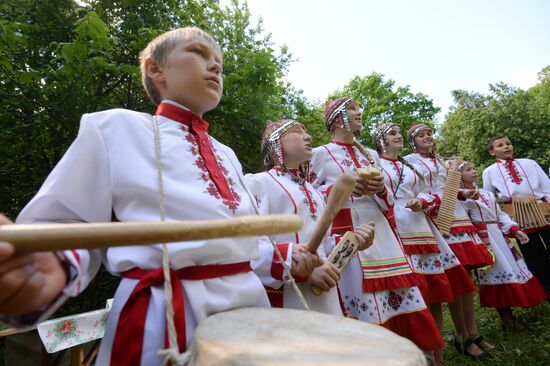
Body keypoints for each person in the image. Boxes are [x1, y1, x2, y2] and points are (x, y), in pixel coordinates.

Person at [0, 27, 321, 366]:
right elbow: (66, 224)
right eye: (199, 53)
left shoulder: (226, 153)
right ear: (156, 69)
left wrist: (281, 256)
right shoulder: (115, 127)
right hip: (162, 316)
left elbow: (238, 240)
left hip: (249, 311)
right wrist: (44, 265)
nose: (214, 66)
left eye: (219, 63)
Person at [309, 98, 443, 353]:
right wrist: (342, 189)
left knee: (401, 292)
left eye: (359, 109)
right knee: (363, 297)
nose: (359, 113)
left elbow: (389, 201)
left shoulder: (369, 154)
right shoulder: (320, 153)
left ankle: (412, 352)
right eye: (352, 109)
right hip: (347, 231)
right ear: (337, 118)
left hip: (381, 230)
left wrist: (380, 189)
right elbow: (311, 196)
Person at [245, 119, 375, 314]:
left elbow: (323, 245)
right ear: (275, 143)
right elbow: (248, 245)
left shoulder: (312, 191)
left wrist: (352, 240)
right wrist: (303, 270)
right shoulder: (258, 183)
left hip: (324, 298)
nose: (308, 137)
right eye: (297, 132)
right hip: (285, 298)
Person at [373, 123, 463, 365]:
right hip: (394, 230)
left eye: (399, 134)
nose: (398, 137)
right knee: (412, 297)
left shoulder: (409, 165)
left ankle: (438, 356)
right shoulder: (375, 165)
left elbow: (429, 192)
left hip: (420, 227)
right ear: (381, 140)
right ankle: (416, 356)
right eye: (392, 134)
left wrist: (422, 201)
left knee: (433, 296)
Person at [405, 124, 494, 360]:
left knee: (466, 283)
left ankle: (473, 333)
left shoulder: (442, 161)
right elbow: (418, 190)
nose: (427, 137)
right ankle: (461, 335)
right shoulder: (409, 162)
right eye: (421, 135)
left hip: (458, 217)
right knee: (455, 282)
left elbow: (448, 189)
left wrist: (464, 193)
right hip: (439, 220)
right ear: (412, 141)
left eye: (429, 134)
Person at [460, 161, 547, 330]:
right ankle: (506, 318)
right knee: (496, 272)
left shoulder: (487, 194)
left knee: (511, 269)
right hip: (484, 239)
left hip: (499, 236)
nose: (474, 171)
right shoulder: (462, 199)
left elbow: (499, 215)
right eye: (468, 170)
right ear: (460, 176)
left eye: (473, 168)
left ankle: (511, 316)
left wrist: (515, 230)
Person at [483, 135, 550, 297]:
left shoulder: (530, 163)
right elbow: (489, 197)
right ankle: (546, 289)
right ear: (492, 152)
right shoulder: (489, 172)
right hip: (516, 213)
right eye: (500, 145)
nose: (506, 147)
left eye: (508, 144)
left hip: (542, 208)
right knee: (533, 253)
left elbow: (546, 185)